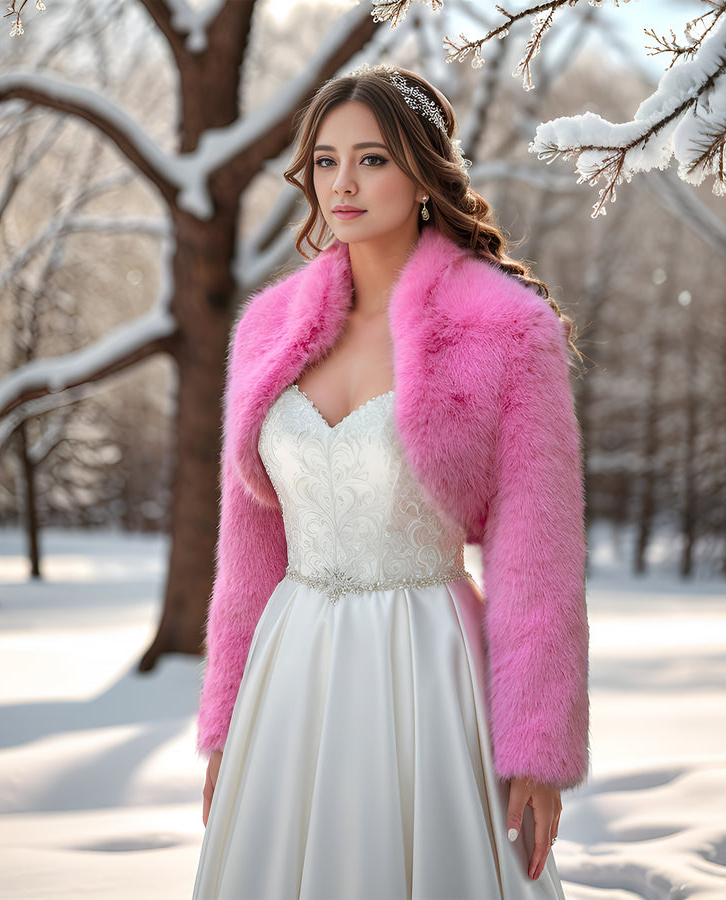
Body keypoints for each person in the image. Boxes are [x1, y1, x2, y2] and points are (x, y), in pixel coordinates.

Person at [192, 64, 588, 900]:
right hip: (287, 669)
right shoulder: (266, 327)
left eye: (371, 159)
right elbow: (248, 548)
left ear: (422, 175)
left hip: (427, 662)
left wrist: (537, 746)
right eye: (326, 161)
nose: (343, 182)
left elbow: (536, 556)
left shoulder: (509, 331)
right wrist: (227, 724)